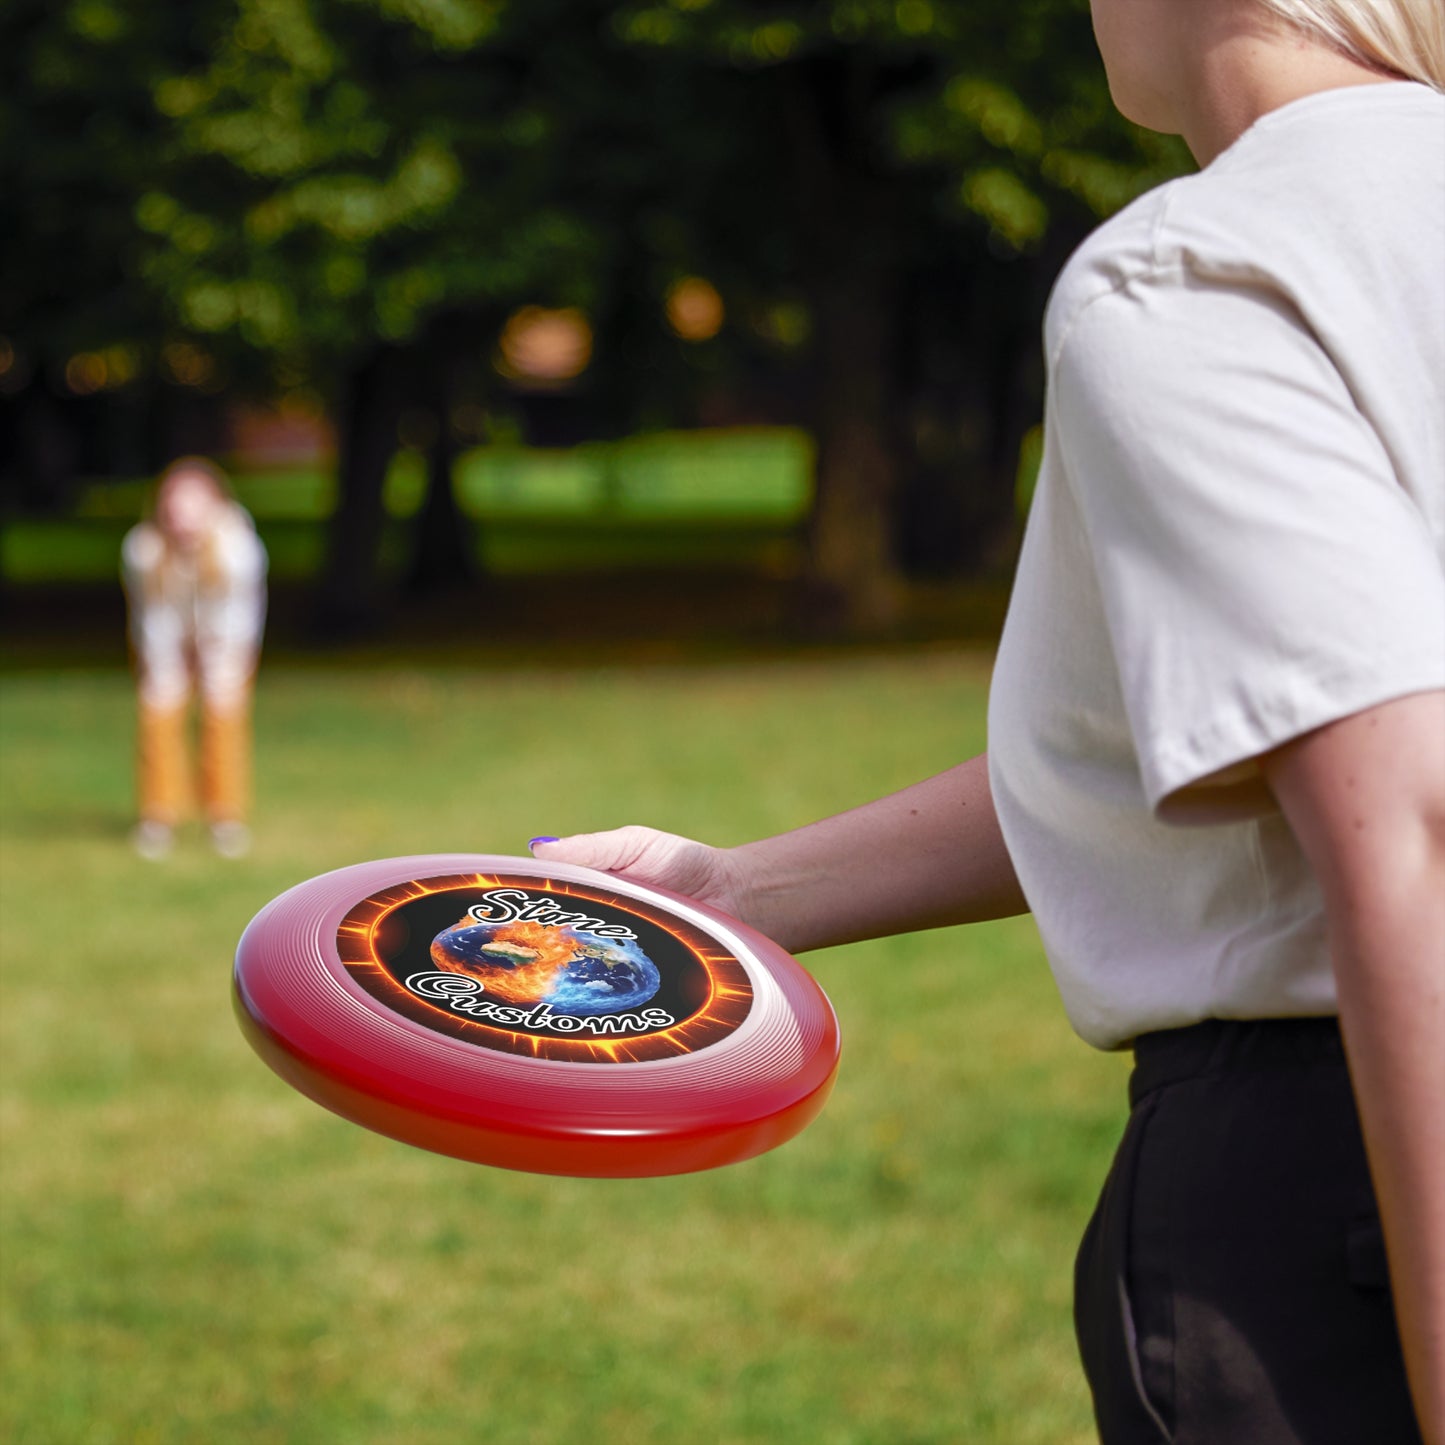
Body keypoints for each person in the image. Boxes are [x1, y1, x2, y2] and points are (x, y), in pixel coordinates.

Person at [528, 2, 1445, 1440]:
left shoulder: (1204, 270)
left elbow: (1409, 822)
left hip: (1342, 1192)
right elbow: (1216, 741)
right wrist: (736, 891)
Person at [121, 457, 268, 860]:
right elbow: (152, 615)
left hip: (226, 641)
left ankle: (225, 818)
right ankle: (158, 816)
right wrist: (168, 664)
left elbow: (239, 615)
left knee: (223, 717)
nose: (182, 517)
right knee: (158, 712)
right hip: (165, 640)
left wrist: (214, 659)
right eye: (174, 506)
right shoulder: (143, 549)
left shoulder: (238, 548)